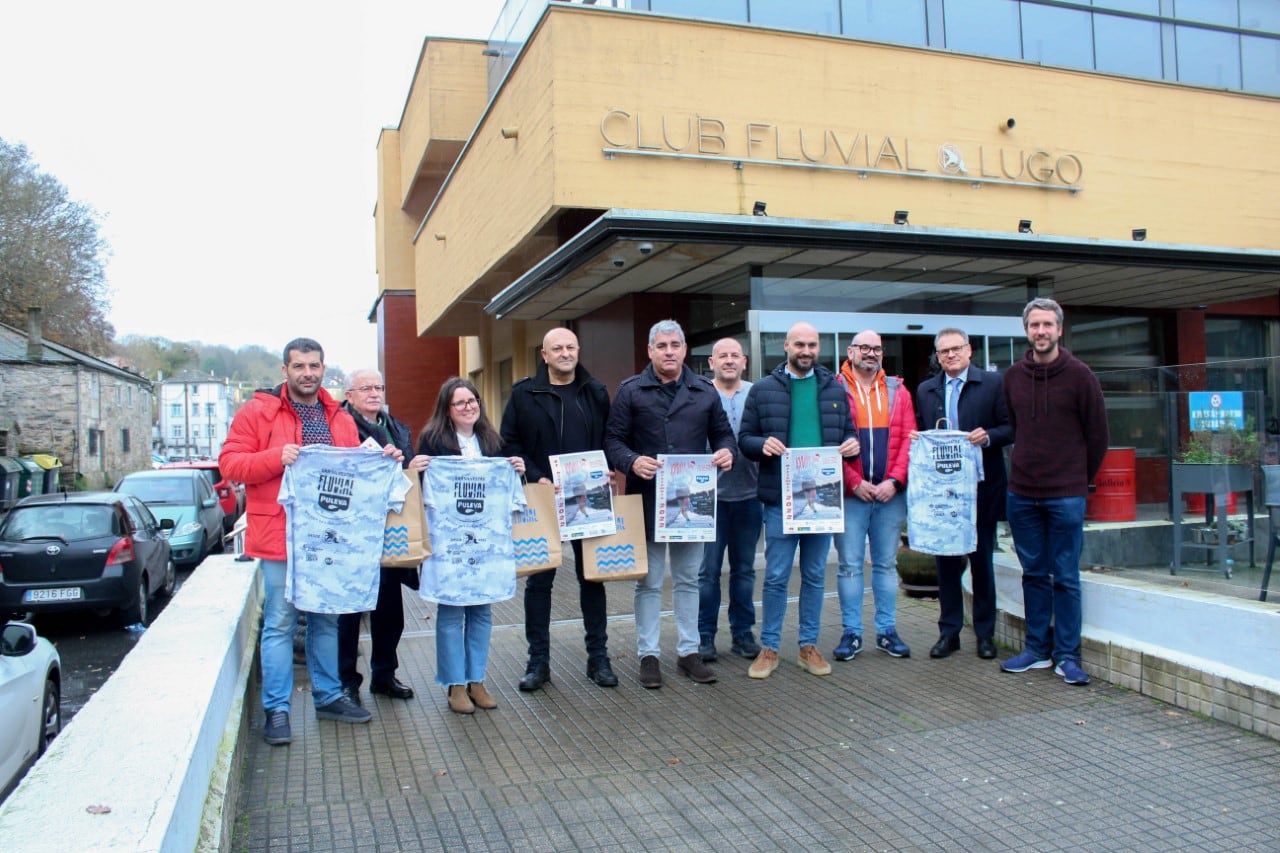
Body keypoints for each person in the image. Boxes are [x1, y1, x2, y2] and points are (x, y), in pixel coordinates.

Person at [220, 338, 397, 745]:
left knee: (327, 617)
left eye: (314, 366)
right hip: (280, 535)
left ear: (323, 369)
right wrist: (274, 457)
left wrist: (381, 462)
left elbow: (351, 474)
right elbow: (230, 463)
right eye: (299, 366)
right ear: (285, 370)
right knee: (280, 622)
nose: (307, 373)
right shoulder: (258, 411)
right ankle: (277, 710)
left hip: (327, 539)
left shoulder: (340, 418)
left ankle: (329, 695)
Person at [604, 319, 736, 688]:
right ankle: (649, 655)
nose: (669, 352)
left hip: (691, 505)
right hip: (647, 501)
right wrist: (631, 461)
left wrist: (727, 451)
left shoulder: (704, 391)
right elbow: (612, 441)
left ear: (684, 350)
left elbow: (723, 434)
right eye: (661, 346)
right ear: (650, 351)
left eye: (675, 345)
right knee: (648, 583)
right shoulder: (631, 390)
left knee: (688, 580)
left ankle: (688, 652)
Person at [499, 327, 618, 691]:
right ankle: (538, 662)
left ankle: (598, 658)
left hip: (589, 497)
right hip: (543, 497)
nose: (565, 353)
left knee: (592, 577)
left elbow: (608, 439)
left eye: (570, 347)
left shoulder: (595, 391)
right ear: (544, 354)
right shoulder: (524, 394)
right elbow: (509, 444)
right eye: (557, 348)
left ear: (577, 351)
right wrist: (536, 477)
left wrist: (610, 470)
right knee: (540, 581)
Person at [738, 322, 859, 679]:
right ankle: (770, 648)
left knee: (815, 575)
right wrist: (762, 445)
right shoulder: (763, 390)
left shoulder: (834, 388)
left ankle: (808, 645)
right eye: (799, 344)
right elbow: (744, 438)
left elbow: (849, 436)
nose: (806, 350)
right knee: (775, 576)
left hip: (823, 501)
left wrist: (853, 447)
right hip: (780, 499)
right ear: (786, 346)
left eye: (812, 345)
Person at [1001, 298, 1109, 685]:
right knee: (1033, 573)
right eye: (1034, 325)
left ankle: (1067, 655)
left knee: (1064, 575)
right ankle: (1037, 650)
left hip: (1066, 494)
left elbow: (1098, 437)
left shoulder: (1081, 377)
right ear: (1026, 330)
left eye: (1048, 325)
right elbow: (1016, 429)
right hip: (1022, 494)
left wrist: (1076, 480)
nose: (1041, 332)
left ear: (1060, 329)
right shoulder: (1013, 377)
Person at [417, 377, 527, 713]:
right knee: (451, 612)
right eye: (460, 402)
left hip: (485, 545)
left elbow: (506, 488)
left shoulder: (491, 441)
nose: (469, 407)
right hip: (449, 545)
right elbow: (420, 491)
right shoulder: (433, 441)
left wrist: (518, 470)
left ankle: (476, 679)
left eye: (473, 400)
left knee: (481, 611)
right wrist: (416, 469)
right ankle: (454, 685)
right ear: (447, 410)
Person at [913, 329, 1012, 660]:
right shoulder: (926, 390)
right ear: (937, 356)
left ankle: (985, 634)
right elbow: (920, 430)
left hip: (980, 490)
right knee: (946, 563)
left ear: (969, 350)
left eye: (956, 349)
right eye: (943, 351)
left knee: (982, 561)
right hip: (941, 492)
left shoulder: (993, 384)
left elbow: (1009, 427)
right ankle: (949, 632)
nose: (950, 355)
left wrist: (988, 437)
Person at [337, 369, 430, 703]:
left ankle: (384, 675)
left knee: (390, 612)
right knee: (349, 613)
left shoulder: (397, 427)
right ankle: (347, 681)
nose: (374, 393)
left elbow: (404, 474)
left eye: (378, 387)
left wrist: (412, 465)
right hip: (355, 533)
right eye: (365, 388)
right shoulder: (339, 426)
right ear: (349, 394)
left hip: (393, 529)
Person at [832, 330, 915, 662]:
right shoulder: (833, 389)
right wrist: (853, 482)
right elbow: (828, 441)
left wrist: (895, 481)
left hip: (889, 496)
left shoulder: (898, 390)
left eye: (876, 348)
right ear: (851, 351)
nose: (870, 353)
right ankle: (852, 633)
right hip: (851, 496)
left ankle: (887, 631)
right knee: (850, 566)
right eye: (864, 347)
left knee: (885, 565)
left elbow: (910, 439)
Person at [698, 338, 763, 662]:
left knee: (744, 570)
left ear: (744, 361)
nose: (728, 360)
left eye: (734, 355)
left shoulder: (757, 393)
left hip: (750, 498)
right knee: (708, 572)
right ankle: (705, 637)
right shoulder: (700, 394)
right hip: (709, 501)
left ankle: (742, 634)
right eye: (722, 355)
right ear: (711, 362)